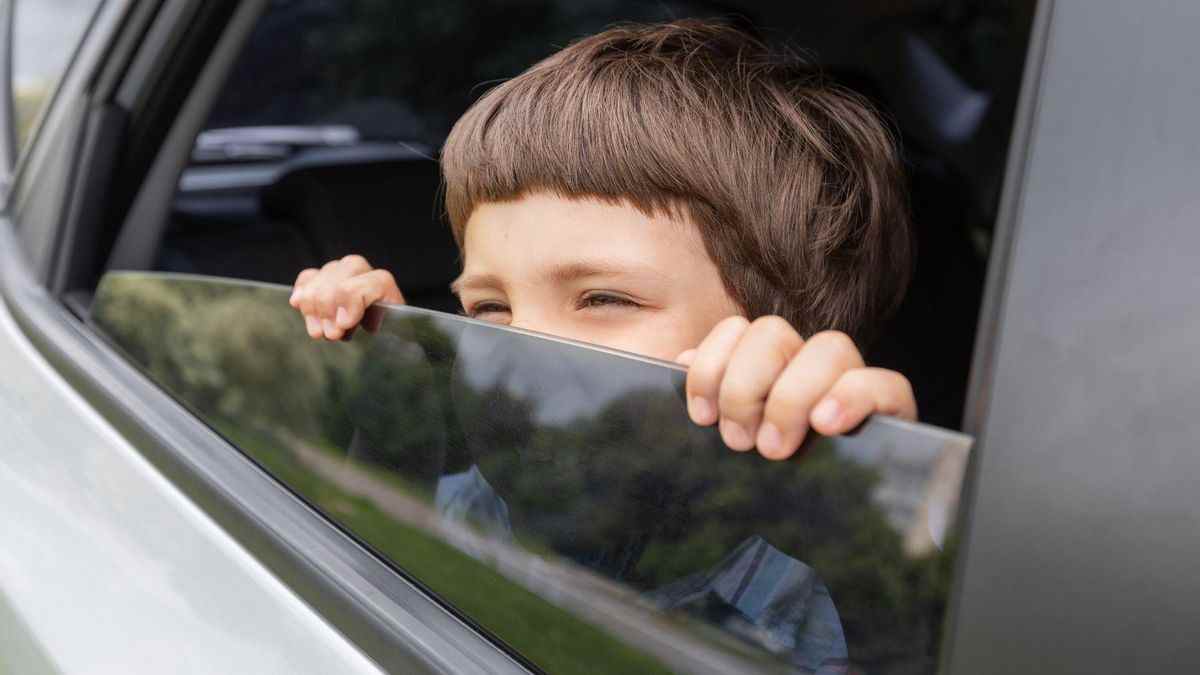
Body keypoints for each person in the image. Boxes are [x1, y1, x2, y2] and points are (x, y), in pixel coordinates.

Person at [289, 18, 915, 464]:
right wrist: (391, 381)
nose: (505, 364)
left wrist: (888, 485)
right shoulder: (477, 490)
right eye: (488, 309)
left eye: (601, 300)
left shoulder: (815, 566)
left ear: (779, 343)